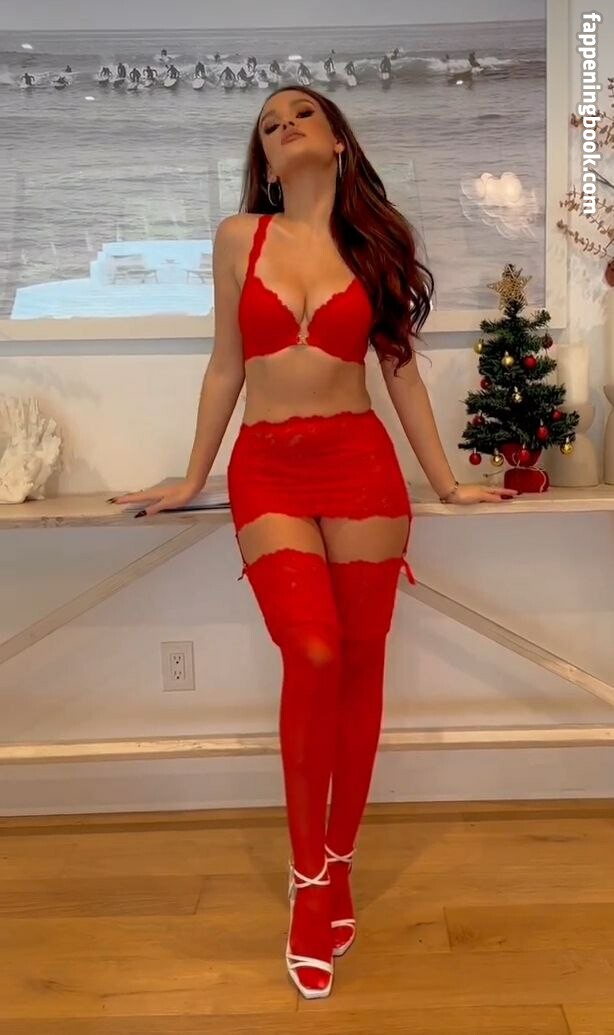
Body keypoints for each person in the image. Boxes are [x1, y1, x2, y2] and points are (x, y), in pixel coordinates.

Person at [108, 85, 516, 999]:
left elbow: (400, 373)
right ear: (263, 158)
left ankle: (338, 861)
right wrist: (192, 474)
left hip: (360, 465)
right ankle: (306, 883)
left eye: (300, 115)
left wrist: (446, 481)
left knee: (361, 663)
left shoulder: (376, 243)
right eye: (268, 124)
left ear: (336, 141)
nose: (283, 126)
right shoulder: (238, 239)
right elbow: (225, 365)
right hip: (269, 467)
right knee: (314, 649)